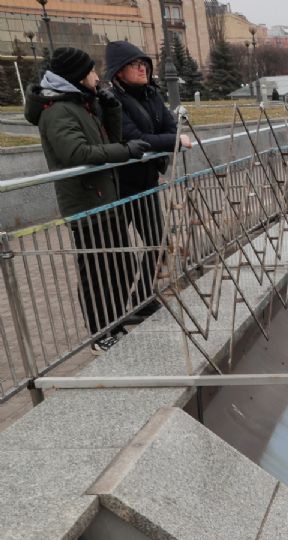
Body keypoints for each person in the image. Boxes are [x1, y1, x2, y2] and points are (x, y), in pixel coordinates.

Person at [24, 47, 151, 354]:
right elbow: (76, 154)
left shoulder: (82, 104)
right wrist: (127, 151)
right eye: (93, 71)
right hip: (85, 203)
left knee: (121, 263)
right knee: (97, 272)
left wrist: (112, 110)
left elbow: (109, 142)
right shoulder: (56, 110)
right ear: (79, 76)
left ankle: (117, 322)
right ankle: (100, 333)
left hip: (106, 198)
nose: (98, 76)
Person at [104, 40, 192, 318]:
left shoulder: (151, 94)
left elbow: (169, 125)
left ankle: (142, 298)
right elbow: (135, 139)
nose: (142, 68)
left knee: (157, 239)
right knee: (116, 250)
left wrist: (169, 138)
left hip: (146, 181)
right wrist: (174, 140)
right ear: (119, 71)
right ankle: (114, 314)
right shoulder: (113, 100)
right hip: (120, 185)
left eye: (144, 63)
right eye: (134, 64)